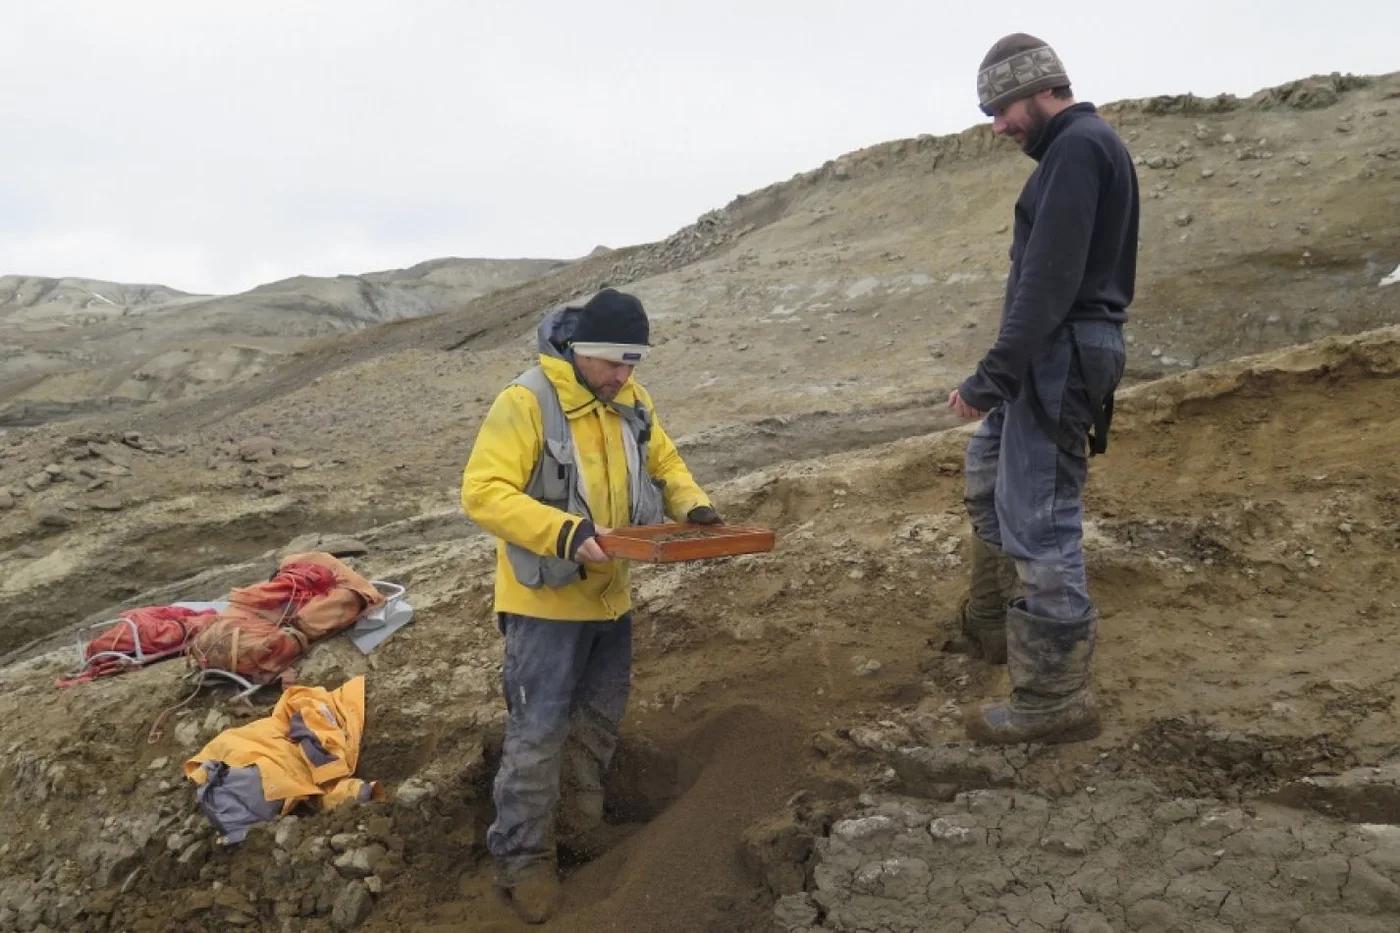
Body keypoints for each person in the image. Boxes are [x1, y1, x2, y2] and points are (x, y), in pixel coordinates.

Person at [460, 287, 720, 923]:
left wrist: (695, 506)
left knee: (598, 721)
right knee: (537, 734)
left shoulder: (630, 400)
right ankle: (523, 862)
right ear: (581, 353)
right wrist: (568, 534)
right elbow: (482, 493)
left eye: (634, 364)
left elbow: (664, 461)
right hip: (544, 606)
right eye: (615, 364)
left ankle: (581, 828)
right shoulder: (526, 403)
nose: (625, 376)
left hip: (611, 603)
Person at [945, 34, 1138, 745]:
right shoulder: (1070, 153)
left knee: (1041, 518)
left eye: (1002, 107)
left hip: (1059, 353)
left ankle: (1055, 695)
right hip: (1052, 355)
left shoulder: (1080, 148)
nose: (998, 125)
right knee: (987, 474)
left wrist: (992, 377)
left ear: (1042, 88)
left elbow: (1048, 280)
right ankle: (997, 623)